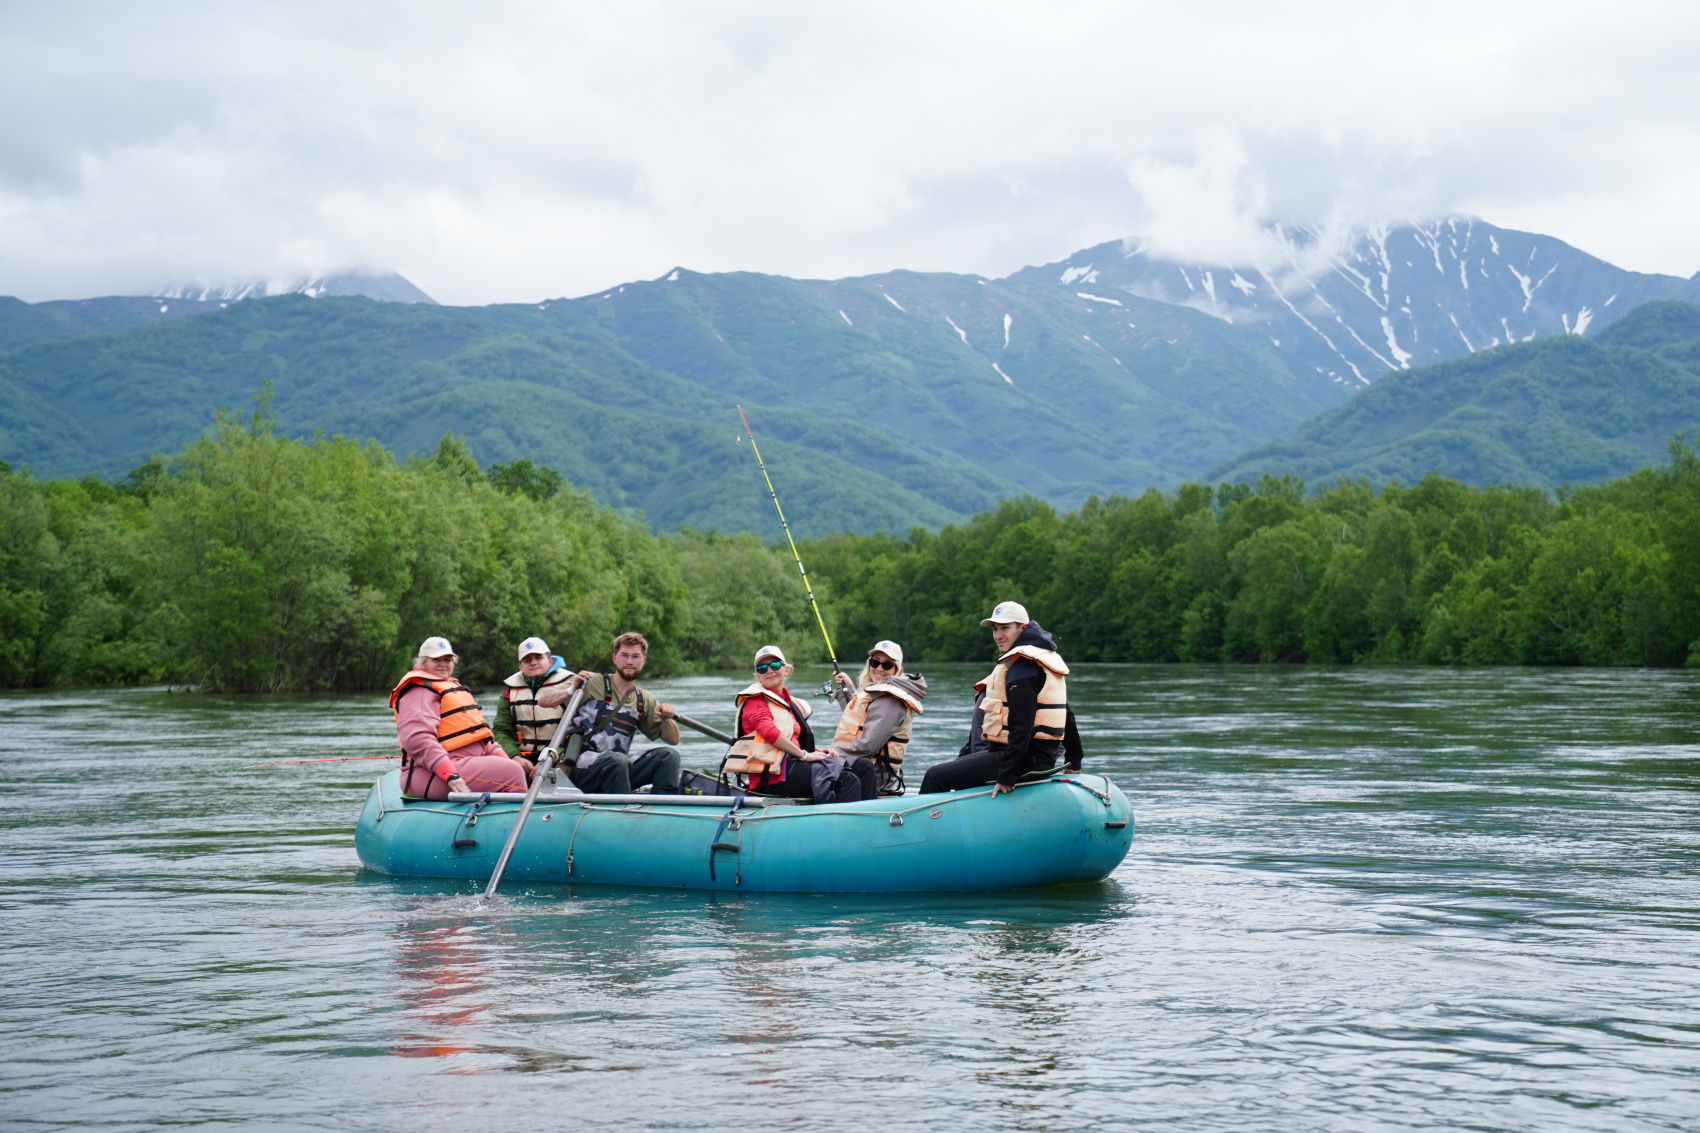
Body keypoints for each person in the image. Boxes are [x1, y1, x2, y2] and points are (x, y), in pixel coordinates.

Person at [919, 601, 1082, 796]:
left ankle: (917, 824)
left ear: (1023, 628)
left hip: (1023, 760)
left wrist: (1006, 775)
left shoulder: (1022, 670)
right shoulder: (1041, 662)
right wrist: (1074, 759)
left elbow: (1021, 729)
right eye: (995, 629)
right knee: (957, 767)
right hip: (1041, 759)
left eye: (1005, 628)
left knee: (934, 776)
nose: (998, 635)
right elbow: (1066, 714)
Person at [730, 645, 876, 803]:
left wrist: (818, 752)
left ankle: (870, 820)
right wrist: (805, 755)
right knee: (845, 780)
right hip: (772, 777)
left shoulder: (787, 701)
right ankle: (845, 825)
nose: (769, 670)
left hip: (794, 764)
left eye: (775, 665)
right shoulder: (756, 701)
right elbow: (770, 733)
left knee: (864, 767)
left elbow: (794, 740)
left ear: (786, 670)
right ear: (758, 676)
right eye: (762, 668)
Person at [390, 637, 527, 801]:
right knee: (512, 772)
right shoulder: (419, 691)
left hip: (461, 765)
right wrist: (450, 775)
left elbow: (485, 742)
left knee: (515, 768)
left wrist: (507, 761)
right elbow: (417, 739)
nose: (443, 663)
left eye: (447, 659)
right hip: (429, 774)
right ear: (423, 662)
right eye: (436, 659)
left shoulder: (450, 687)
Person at [555, 632, 683, 795]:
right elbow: (545, 700)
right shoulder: (592, 682)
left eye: (635, 656)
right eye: (624, 655)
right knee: (616, 760)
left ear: (643, 661)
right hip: (579, 766)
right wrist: (571, 689)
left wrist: (667, 719)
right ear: (615, 658)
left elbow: (673, 740)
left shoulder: (644, 699)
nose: (629, 661)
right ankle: (622, 812)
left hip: (617, 767)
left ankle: (662, 811)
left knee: (668, 756)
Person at [829, 639, 928, 795]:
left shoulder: (891, 700)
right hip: (855, 768)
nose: (879, 668)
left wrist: (830, 754)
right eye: (875, 663)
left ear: (897, 669)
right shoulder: (878, 693)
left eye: (887, 665)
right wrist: (847, 688)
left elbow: (867, 746)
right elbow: (859, 719)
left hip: (873, 779)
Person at [492, 635, 574, 778]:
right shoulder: (509, 693)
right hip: (523, 759)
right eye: (527, 659)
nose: (533, 662)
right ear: (520, 666)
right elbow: (501, 731)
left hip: (559, 756)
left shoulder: (570, 686)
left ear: (550, 661)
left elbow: (577, 731)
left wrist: (549, 759)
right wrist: (514, 757)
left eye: (538, 657)